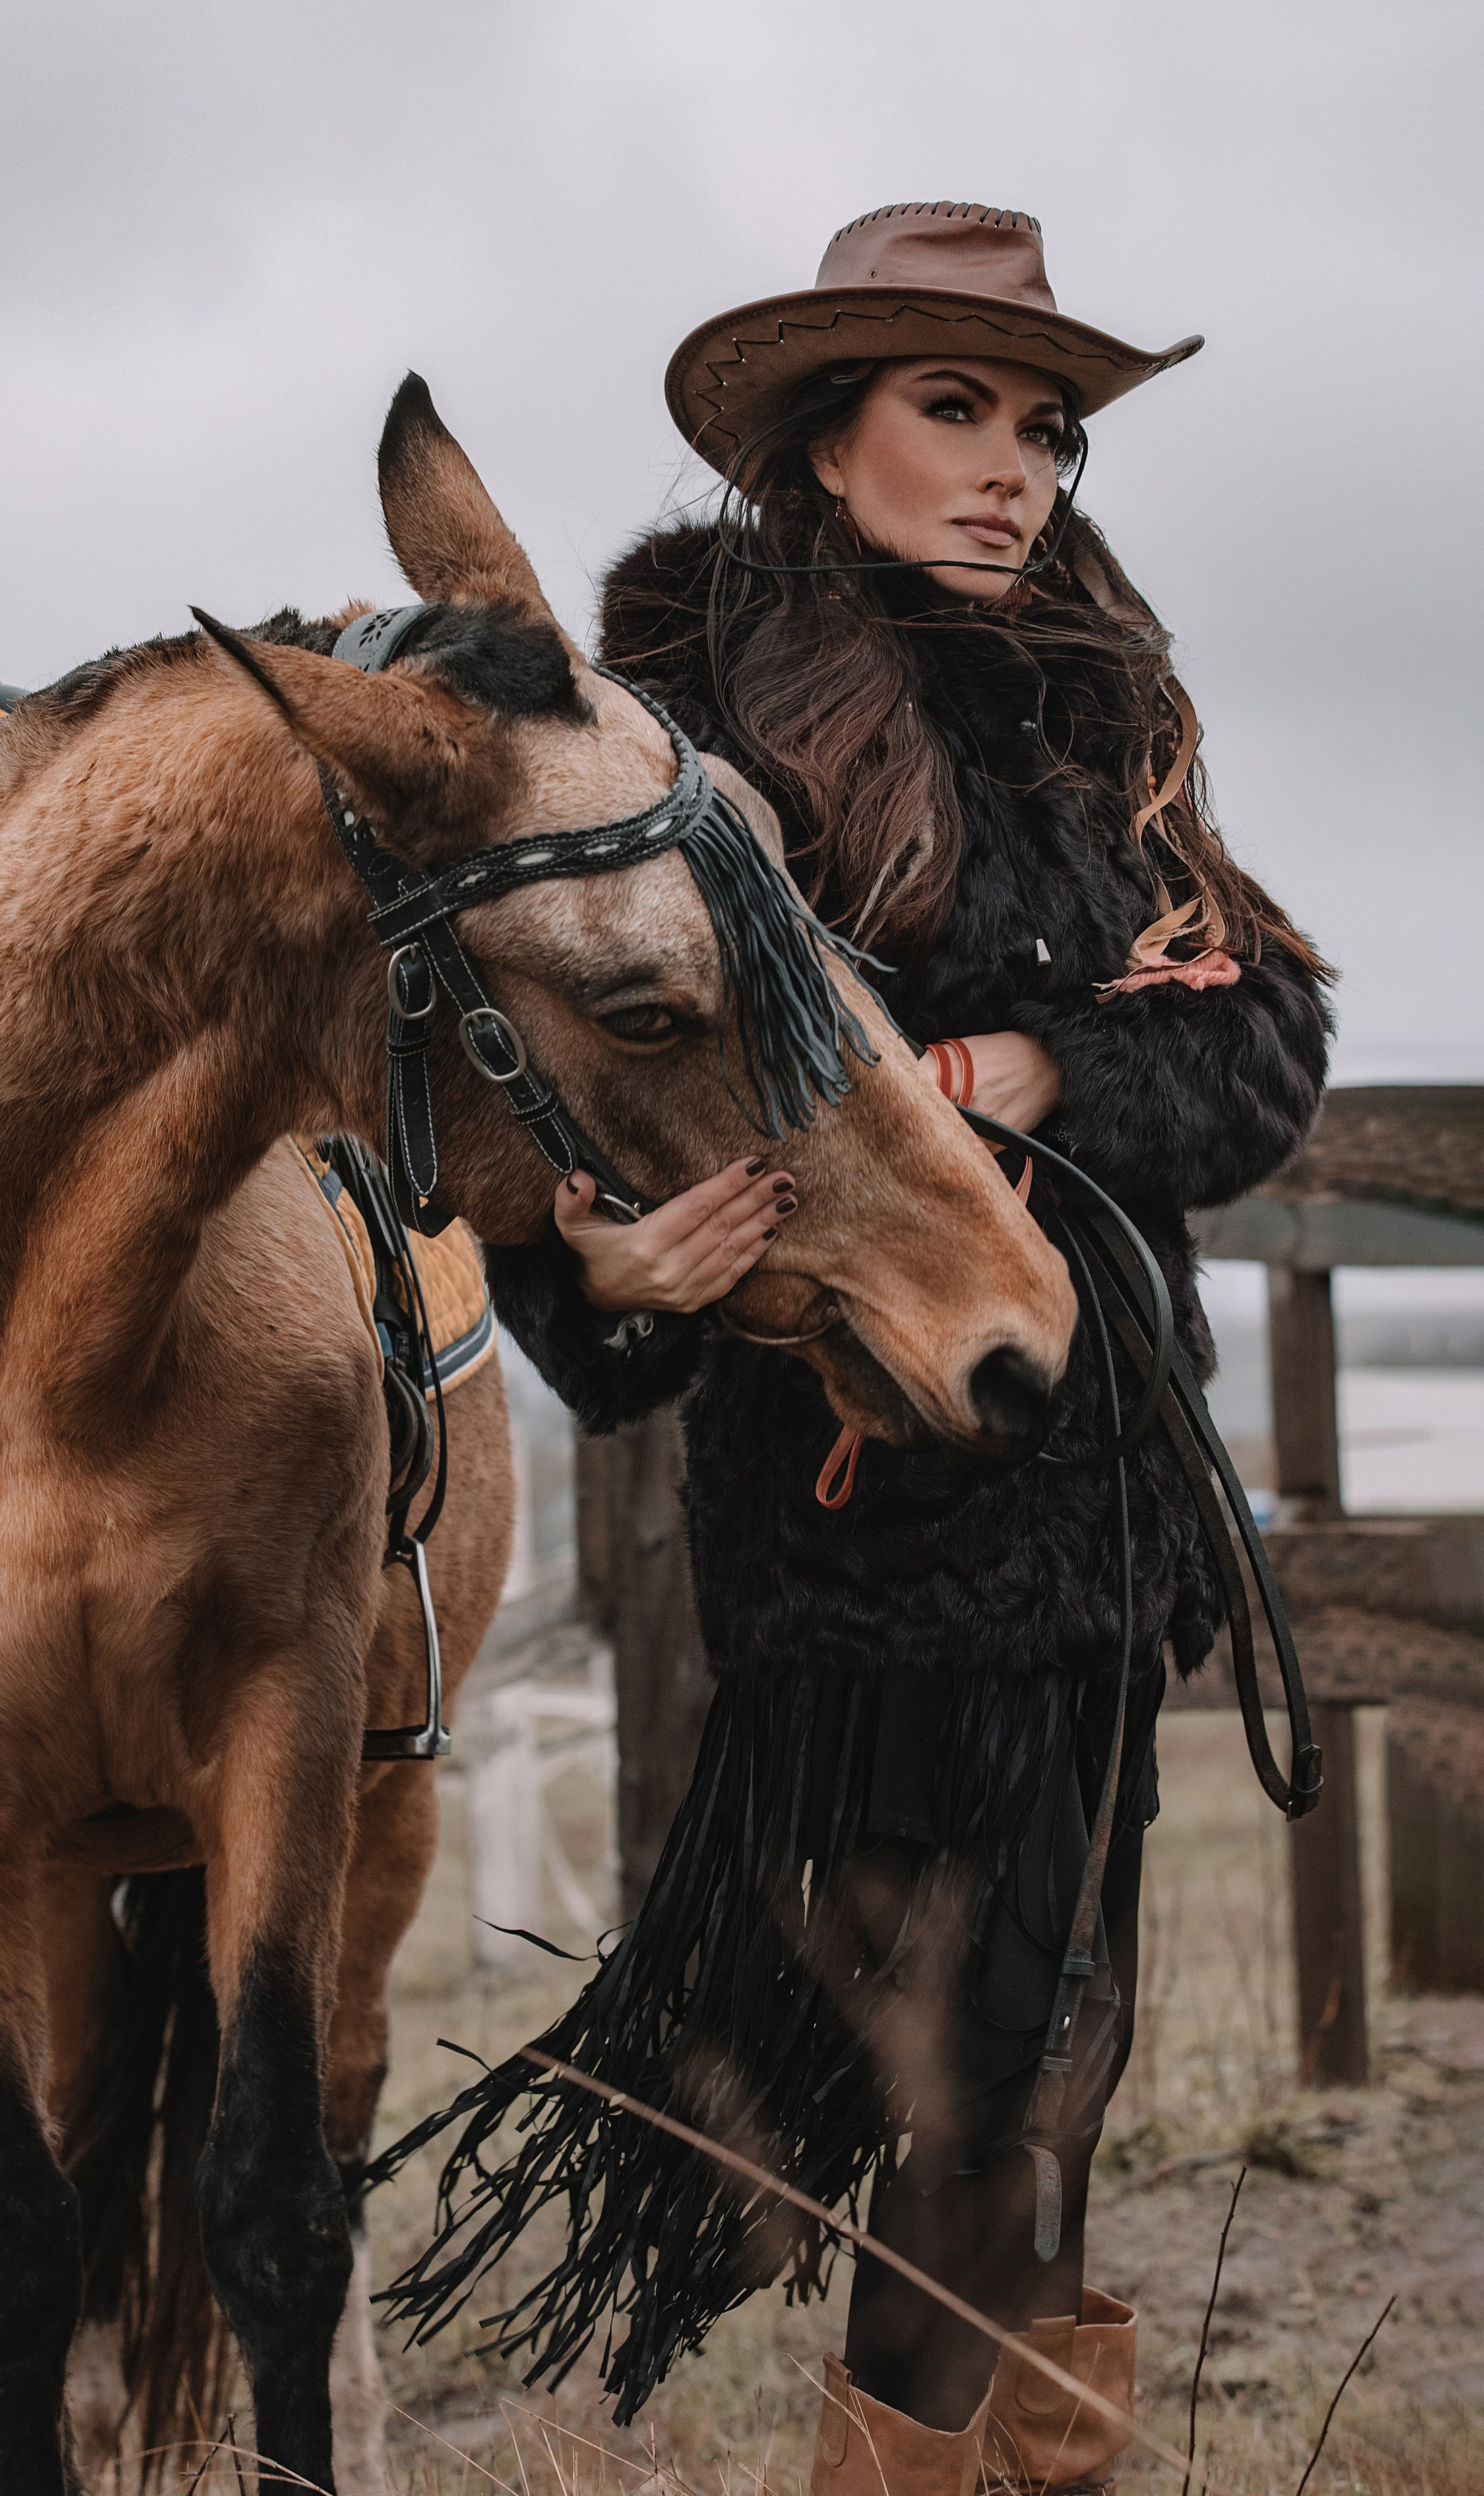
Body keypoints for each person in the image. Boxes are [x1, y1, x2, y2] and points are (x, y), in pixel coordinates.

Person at [385, 202, 1330, 2495]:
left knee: (1067, 2049)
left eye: (1045, 427)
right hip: (863, 1503)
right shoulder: (686, 732)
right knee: (977, 2061)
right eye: (956, 408)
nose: (1015, 467)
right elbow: (583, 1070)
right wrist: (602, 1282)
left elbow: (1267, 1038)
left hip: (1107, 1483)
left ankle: (1034, 2462)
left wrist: (1036, 1071)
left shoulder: (1112, 723)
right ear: (825, 441)